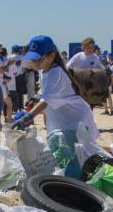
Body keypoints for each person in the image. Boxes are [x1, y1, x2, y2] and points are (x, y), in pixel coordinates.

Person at [19, 34, 99, 175]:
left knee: (81, 155)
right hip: (63, 118)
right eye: (33, 59)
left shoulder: (56, 71)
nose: (35, 62)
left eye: (38, 59)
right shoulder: (45, 69)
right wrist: (36, 99)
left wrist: (28, 116)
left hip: (75, 118)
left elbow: (47, 100)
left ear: (51, 56)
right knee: (68, 155)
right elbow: (50, 94)